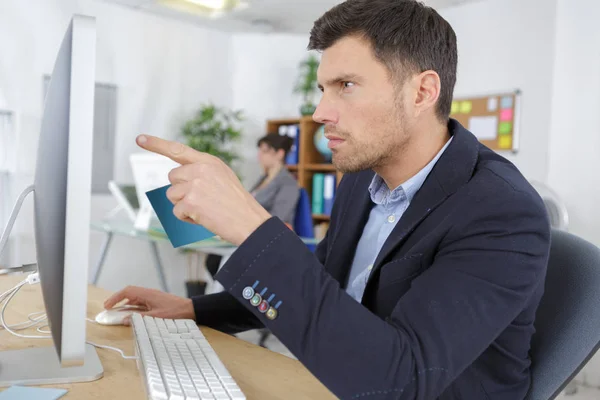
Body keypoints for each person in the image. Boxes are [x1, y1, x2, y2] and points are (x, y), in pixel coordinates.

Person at [104, 1, 551, 399]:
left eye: (347, 85)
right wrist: (193, 309)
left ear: (422, 92)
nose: (320, 113)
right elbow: (323, 281)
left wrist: (251, 225)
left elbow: (402, 381)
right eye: (323, 89)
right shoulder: (361, 177)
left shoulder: (502, 212)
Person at [204, 132, 300, 278]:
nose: (259, 155)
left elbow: (277, 218)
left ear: (280, 154)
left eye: (265, 151)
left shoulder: (288, 183)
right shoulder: (263, 179)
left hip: (266, 239)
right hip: (246, 234)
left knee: (220, 264)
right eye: (259, 150)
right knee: (213, 260)